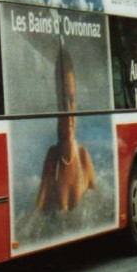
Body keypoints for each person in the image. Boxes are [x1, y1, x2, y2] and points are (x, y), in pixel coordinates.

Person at [36, 48, 96, 213]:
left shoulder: (84, 159)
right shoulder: (52, 159)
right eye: (62, 102)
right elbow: (36, 215)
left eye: (72, 100)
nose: (68, 110)